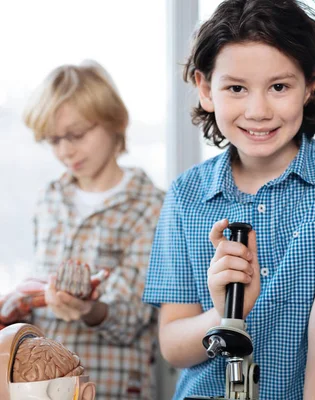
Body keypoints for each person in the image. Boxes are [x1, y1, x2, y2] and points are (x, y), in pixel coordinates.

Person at [142, 1, 315, 399]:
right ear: (206, 89)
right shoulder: (186, 195)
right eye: (236, 88)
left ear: (310, 84)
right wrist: (226, 313)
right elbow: (174, 346)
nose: (258, 112)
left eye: (279, 87)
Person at [22, 60, 164, 399]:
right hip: (38, 388)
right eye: (53, 140)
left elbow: (135, 318)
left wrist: (89, 309)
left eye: (76, 135)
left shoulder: (153, 207)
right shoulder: (48, 200)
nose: (65, 150)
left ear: (116, 122)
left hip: (110, 388)